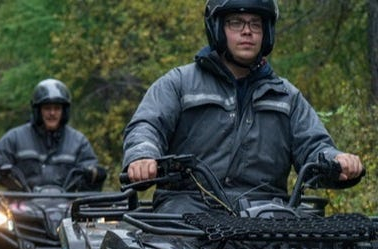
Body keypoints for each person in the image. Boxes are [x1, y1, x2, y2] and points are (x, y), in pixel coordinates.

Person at [123, 0, 364, 214]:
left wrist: (337, 160)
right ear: (217, 28)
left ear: (266, 33)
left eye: (256, 24)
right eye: (236, 22)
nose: (247, 31)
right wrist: (143, 156)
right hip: (187, 210)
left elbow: (313, 145)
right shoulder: (179, 83)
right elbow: (147, 125)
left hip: (267, 216)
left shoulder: (286, 96)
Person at [0, 78, 106, 191]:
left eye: (57, 108)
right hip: (22, 207)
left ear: (64, 111)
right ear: (38, 111)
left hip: (66, 207)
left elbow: (90, 167)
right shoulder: (15, 137)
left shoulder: (78, 141)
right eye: (47, 108)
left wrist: (94, 173)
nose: (52, 113)